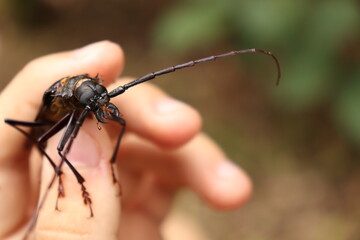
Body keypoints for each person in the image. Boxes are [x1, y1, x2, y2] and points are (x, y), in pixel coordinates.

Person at [0, 41, 252, 239]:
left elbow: (101, 104)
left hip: (78, 112)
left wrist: (110, 160)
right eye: (96, 101)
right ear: (76, 99)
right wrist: (59, 169)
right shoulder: (60, 95)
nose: (103, 105)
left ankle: (110, 163)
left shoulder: (90, 91)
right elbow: (56, 141)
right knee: (60, 147)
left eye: (104, 97)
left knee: (120, 123)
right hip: (45, 126)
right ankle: (72, 176)